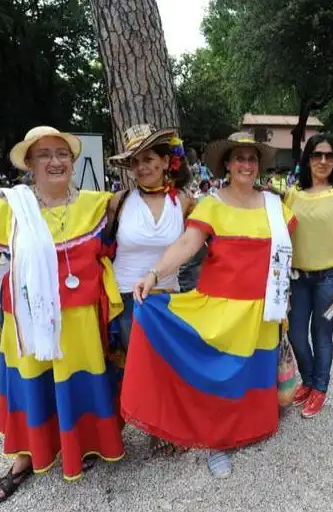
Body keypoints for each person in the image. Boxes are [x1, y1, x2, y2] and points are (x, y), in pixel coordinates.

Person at [0, 126, 125, 502]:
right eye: (45, 154)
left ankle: (85, 443)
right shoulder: (12, 206)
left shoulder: (98, 204)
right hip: (30, 321)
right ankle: (25, 457)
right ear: (30, 163)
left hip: (80, 321)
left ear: (73, 161)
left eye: (62, 153)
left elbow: (150, 199)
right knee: (32, 383)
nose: (55, 161)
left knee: (80, 382)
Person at [122, 132, 295, 479]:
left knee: (251, 372)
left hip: (262, 309)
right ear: (227, 165)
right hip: (220, 308)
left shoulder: (277, 206)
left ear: (258, 166)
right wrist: (154, 275)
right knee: (220, 376)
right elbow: (187, 243)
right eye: (239, 158)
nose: (246, 164)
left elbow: (289, 254)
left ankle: (248, 427)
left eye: (252, 159)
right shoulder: (212, 204)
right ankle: (217, 441)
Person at [285, 134, 333, 418]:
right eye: (317, 155)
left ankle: (320, 388)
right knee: (295, 334)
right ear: (307, 159)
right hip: (298, 278)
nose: (323, 161)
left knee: (322, 335)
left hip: (329, 279)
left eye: (329, 156)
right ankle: (308, 379)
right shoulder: (293, 195)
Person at [107, 125, 193, 351]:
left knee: (165, 367)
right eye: (135, 161)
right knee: (133, 368)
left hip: (168, 297)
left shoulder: (184, 202)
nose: (141, 167)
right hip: (127, 299)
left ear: (166, 162)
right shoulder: (119, 201)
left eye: (148, 158)